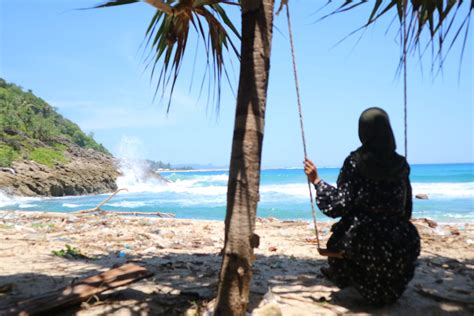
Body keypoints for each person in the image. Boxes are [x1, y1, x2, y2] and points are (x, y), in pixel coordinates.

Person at [304, 107, 420, 306]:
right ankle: (385, 288)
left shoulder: (356, 162)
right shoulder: (401, 165)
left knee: (339, 239)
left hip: (364, 241)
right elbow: (406, 209)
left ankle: (352, 281)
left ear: (363, 132)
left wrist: (316, 181)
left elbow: (339, 206)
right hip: (400, 246)